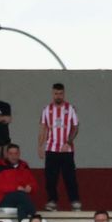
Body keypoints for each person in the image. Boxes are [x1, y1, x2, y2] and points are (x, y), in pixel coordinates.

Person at [38, 83, 81, 211]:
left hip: (66, 150)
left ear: (64, 94)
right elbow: (43, 129)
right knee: (50, 177)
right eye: (56, 93)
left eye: (61, 93)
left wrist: (68, 142)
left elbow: (75, 127)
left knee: (70, 177)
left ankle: (74, 201)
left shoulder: (70, 108)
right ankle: (52, 201)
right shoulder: (46, 109)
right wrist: (40, 146)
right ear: (52, 94)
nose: (58, 96)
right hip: (51, 149)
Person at [0, 143, 38, 219]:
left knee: (22, 207)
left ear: (19, 154)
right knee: (20, 194)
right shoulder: (0, 167)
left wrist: (30, 187)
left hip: (21, 198)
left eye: (16, 153)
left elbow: (34, 183)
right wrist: (16, 188)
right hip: (4, 200)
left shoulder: (24, 166)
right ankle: (36, 218)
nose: (13, 156)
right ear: (7, 154)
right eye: (11, 154)